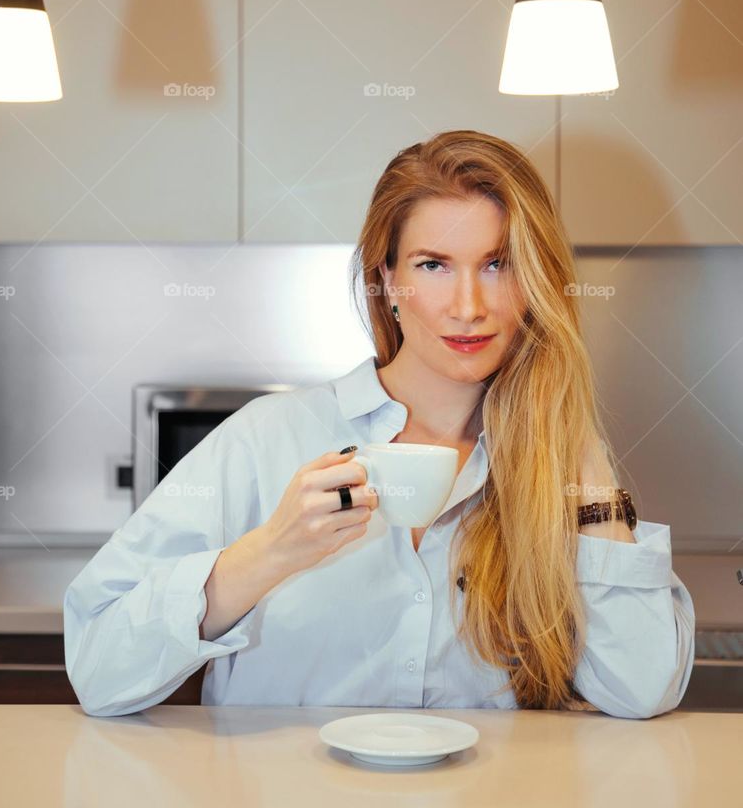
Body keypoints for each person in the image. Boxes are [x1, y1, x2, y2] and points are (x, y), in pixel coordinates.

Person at [63, 129, 695, 718]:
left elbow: (642, 689)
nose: (468, 306)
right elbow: (98, 667)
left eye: (498, 264)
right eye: (433, 265)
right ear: (388, 279)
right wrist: (270, 552)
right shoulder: (264, 439)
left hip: (488, 806)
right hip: (284, 805)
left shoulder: (558, 467)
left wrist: (571, 430)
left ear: (535, 283)